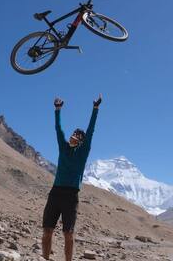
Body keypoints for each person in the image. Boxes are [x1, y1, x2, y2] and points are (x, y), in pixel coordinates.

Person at [42, 94, 102, 261]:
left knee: (68, 233)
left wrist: (95, 109)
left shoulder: (82, 153)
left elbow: (90, 132)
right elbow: (58, 129)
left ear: (81, 141)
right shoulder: (63, 147)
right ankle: (44, 259)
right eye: (73, 133)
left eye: (77, 135)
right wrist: (57, 110)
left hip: (70, 196)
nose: (73, 136)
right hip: (55, 193)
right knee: (47, 230)